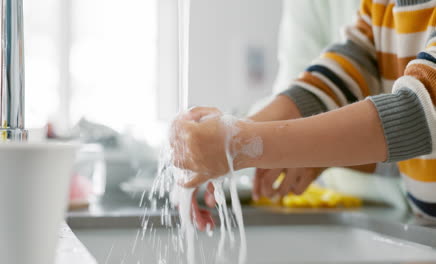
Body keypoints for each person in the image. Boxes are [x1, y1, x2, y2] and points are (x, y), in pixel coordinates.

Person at [173, 0, 436, 228]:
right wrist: (232, 136)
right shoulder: (382, 5)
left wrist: (242, 143)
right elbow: (337, 79)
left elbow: (418, 112)